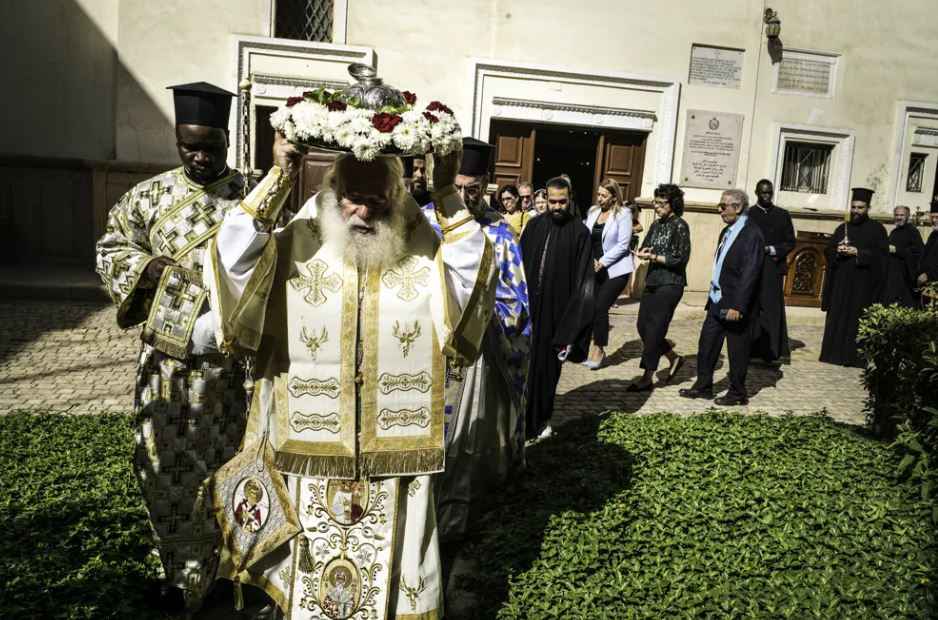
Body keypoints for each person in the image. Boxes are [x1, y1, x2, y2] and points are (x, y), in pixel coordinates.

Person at [205, 129, 496, 619]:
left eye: (376, 202)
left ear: (397, 196)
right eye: (351, 201)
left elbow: (471, 278)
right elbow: (231, 260)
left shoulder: (422, 246)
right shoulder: (298, 238)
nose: (362, 213)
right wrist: (278, 177)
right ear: (331, 192)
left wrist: (446, 191)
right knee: (306, 587)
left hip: (394, 457)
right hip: (308, 448)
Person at [95, 81, 247, 614]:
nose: (200, 155)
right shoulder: (149, 196)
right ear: (178, 142)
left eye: (209, 144)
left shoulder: (250, 195)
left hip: (232, 369)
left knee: (226, 464)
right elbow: (111, 248)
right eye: (189, 146)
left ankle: (231, 568)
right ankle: (180, 573)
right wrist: (150, 266)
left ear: (227, 138)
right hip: (164, 361)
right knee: (160, 461)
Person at [422, 137, 531, 542]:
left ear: (485, 184)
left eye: (474, 189)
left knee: (466, 433)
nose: (466, 197)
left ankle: (457, 513)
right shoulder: (422, 222)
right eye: (459, 187)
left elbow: (515, 299)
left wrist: (483, 317)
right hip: (424, 351)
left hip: (475, 358)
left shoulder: (499, 232)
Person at [520, 176, 594, 439]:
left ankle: (540, 421)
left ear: (570, 199)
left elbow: (584, 284)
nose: (557, 207)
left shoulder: (580, 233)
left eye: (562, 201)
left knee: (547, 371)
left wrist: (572, 329)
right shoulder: (534, 227)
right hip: (529, 314)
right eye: (552, 202)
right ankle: (519, 422)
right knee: (524, 370)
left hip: (557, 317)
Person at [680, 189, 764, 406]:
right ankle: (703, 386)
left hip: (736, 304)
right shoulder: (728, 231)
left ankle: (737, 393)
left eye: (723, 206)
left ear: (738, 207)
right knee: (707, 345)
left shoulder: (752, 234)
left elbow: (750, 274)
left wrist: (738, 305)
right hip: (717, 301)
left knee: (737, 351)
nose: (719, 210)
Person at [628, 184, 690, 391]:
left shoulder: (680, 225)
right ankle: (673, 358)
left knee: (655, 328)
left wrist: (654, 256)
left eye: (661, 203)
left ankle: (647, 377)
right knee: (642, 325)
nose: (656, 207)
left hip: (671, 283)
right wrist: (644, 251)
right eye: (655, 202)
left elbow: (679, 259)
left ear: (673, 204)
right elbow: (647, 244)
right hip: (653, 279)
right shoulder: (656, 225)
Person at [820, 187, 888, 367]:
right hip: (842, 282)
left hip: (862, 285)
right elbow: (829, 249)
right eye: (854, 207)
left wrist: (858, 252)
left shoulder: (877, 229)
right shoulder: (843, 228)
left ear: (868, 208)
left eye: (860, 207)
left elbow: (881, 256)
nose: (856, 211)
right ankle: (832, 354)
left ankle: (854, 357)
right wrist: (838, 250)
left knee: (857, 319)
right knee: (838, 315)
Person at [582, 179, 634, 369]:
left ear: (613, 197)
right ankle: (591, 348)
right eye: (599, 194)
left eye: (604, 195)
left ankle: (598, 349)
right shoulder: (593, 212)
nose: (600, 198)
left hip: (616, 270)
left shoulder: (623, 213)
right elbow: (586, 238)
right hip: (594, 268)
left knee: (600, 307)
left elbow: (623, 244)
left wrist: (602, 262)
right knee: (591, 308)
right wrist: (589, 260)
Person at [748, 179, 795, 363]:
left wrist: (772, 250)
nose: (766, 196)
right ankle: (752, 350)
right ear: (756, 193)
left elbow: (790, 242)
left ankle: (773, 351)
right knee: (753, 307)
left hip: (773, 268)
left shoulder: (782, 215)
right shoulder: (748, 214)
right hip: (753, 268)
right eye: (763, 193)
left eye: (769, 193)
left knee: (771, 308)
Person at [882, 205, 923, 307]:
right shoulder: (894, 232)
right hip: (891, 274)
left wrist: (897, 250)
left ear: (907, 216)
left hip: (903, 277)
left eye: (902, 215)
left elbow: (918, 252)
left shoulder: (912, 231)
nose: (899, 217)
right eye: (897, 215)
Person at [918, 201, 938, 292]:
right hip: (927, 283)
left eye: (937, 217)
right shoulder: (933, 235)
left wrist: (928, 275)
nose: (934, 220)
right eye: (932, 217)